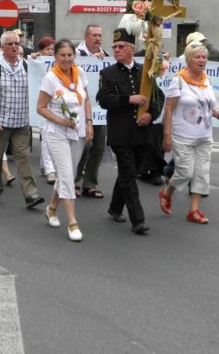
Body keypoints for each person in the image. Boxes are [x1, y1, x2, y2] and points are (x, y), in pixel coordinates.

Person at [96, 28, 163, 235]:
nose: (116, 50)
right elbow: (103, 100)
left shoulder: (145, 72)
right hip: (121, 133)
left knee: (129, 173)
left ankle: (115, 207)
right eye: (114, 47)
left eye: (121, 46)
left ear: (132, 49)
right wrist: (128, 99)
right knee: (129, 176)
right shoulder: (108, 73)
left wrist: (151, 115)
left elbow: (157, 98)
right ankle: (138, 220)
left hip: (142, 132)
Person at [158, 42, 219, 224]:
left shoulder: (206, 80)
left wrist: (215, 111)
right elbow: (169, 110)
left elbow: (208, 104)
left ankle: (194, 211)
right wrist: (167, 136)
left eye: (204, 57)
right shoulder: (178, 81)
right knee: (185, 172)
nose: (201, 60)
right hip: (182, 136)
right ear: (188, 59)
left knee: (202, 174)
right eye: (197, 57)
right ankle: (166, 192)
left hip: (204, 136)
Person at [37, 39, 93, 242]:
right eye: (62, 55)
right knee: (68, 177)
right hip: (56, 133)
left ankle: (52, 209)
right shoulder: (50, 78)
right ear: (55, 57)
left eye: (70, 55)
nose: (67, 59)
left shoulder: (80, 73)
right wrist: (61, 120)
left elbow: (86, 99)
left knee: (67, 174)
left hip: (77, 132)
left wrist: (89, 123)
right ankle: (72, 222)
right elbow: (40, 108)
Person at [0, 30, 43, 208]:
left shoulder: (26, 65)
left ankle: (30, 194)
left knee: (24, 158)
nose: (15, 46)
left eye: (17, 43)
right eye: (11, 44)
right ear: (3, 47)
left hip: (22, 122)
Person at [75, 24, 109, 198]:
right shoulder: (76, 55)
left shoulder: (107, 57)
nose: (98, 38)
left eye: (100, 35)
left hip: (100, 110)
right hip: (81, 109)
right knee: (83, 146)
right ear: (86, 37)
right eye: (94, 35)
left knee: (98, 148)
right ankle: (74, 182)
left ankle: (90, 183)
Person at [31, 36, 57, 184]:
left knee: (52, 136)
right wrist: (34, 58)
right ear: (41, 50)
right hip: (41, 103)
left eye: (53, 49)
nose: (50, 52)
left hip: (57, 104)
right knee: (46, 136)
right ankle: (49, 170)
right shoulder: (38, 62)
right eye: (47, 49)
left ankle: (44, 164)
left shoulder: (60, 62)